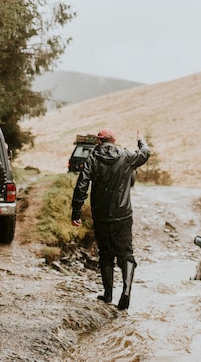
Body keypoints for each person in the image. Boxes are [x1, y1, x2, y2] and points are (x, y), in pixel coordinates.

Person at [71, 128, 150, 310]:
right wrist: (140, 140)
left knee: (105, 255)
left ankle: (107, 295)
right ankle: (127, 290)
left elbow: (81, 185)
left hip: (101, 216)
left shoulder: (92, 158)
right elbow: (145, 153)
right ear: (113, 140)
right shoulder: (125, 155)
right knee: (126, 253)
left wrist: (76, 213)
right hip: (123, 215)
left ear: (99, 142)